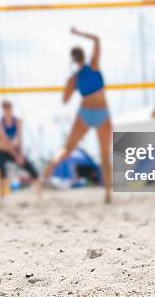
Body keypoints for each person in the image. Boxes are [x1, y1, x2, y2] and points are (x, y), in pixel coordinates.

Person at [43, 27, 112, 204]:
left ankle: (45, 175)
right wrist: (79, 33)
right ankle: (108, 194)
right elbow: (97, 38)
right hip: (101, 113)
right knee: (104, 155)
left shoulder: (74, 78)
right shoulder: (94, 65)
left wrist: (70, 84)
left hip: (85, 112)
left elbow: (65, 101)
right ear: (84, 56)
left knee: (68, 149)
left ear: (73, 60)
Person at [0, 100, 40, 199]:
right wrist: (16, 156)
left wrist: (21, 155)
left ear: (11, 109)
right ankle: (1, 198)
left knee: (31, 169)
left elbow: (20, 139)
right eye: (5, 108)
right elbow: (6, 142)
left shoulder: (17, 121)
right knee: (2, 172)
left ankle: (39, 196)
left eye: (9, 108)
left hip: (14, 150)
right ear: (2, 110)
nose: (7, 110)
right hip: (0, 151)